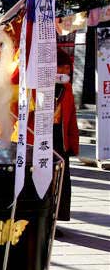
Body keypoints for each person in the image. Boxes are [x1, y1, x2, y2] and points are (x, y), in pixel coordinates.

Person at [53, 51, 79, 231]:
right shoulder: (39, 87)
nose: (64, 71)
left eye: (67, 68)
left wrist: (73, 144)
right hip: (41, 138)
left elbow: (72, 120)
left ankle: (54, 220)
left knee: (60, 183)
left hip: (60, 140)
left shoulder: (68, 89)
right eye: (61, 67)